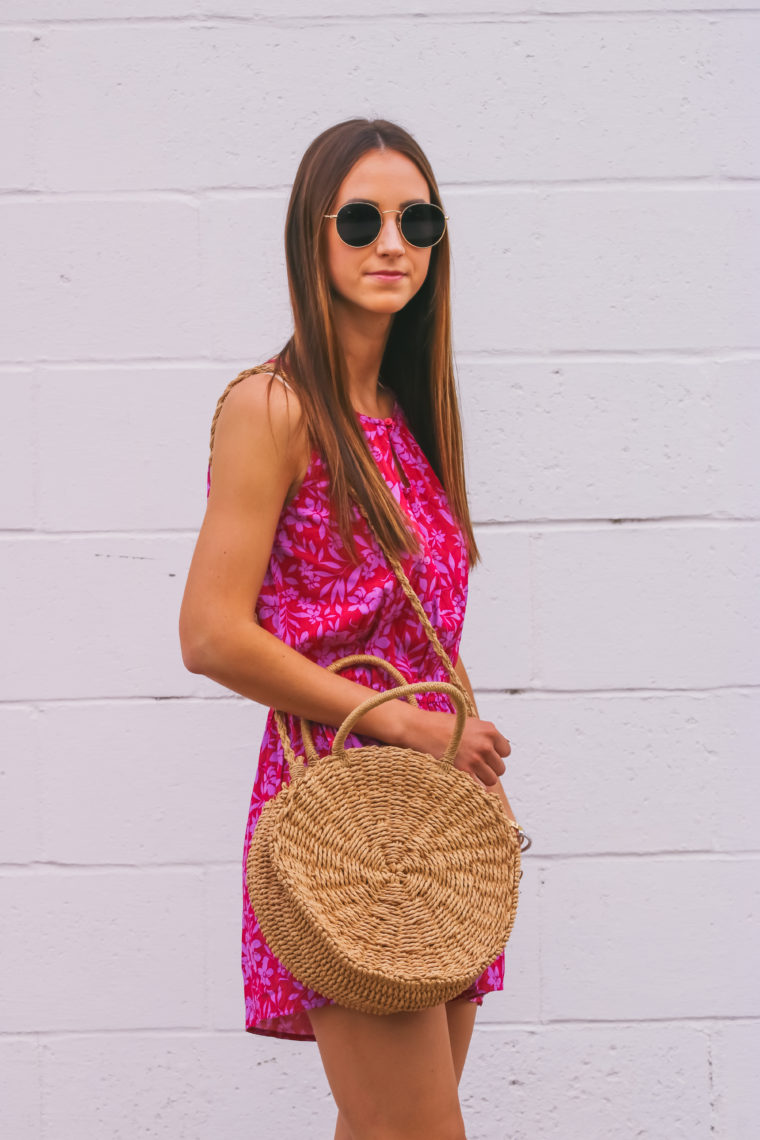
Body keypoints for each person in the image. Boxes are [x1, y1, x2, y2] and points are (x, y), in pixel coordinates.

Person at [179, 117, 520, 1140]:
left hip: (430, 820)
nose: (392, 243)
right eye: (362, 218)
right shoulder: (275, 407)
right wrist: (410, 726)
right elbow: (209, 633)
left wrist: (444, 741)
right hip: (343, 819)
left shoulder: (408, 415)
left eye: (418, 220)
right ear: (311, 236)